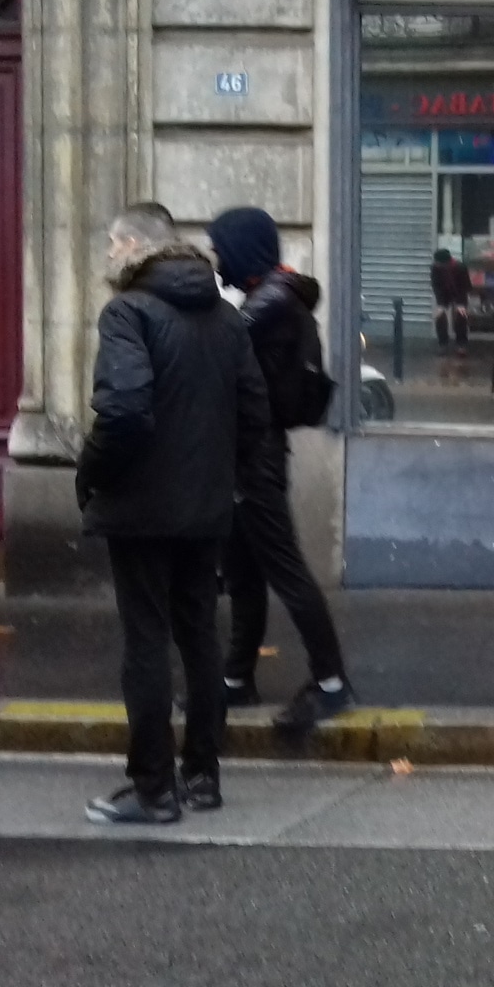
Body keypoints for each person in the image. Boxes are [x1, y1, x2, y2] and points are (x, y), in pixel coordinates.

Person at [76, 202, 269, 824]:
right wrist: (226, 479)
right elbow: (254, 413)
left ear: (135, 246)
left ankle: (153, 788)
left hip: (141, 507)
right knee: (200, 637)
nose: (110, 255)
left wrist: (91, 472)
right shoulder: (225, 317)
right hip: (205, 506)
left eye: (113, 243)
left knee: (146, 643)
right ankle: (203, 776)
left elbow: (124, 410)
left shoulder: (128, 312)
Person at [205, 206, 357, 740]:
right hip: (248, 456)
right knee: (244, 574)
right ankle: (236, 678)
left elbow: (223, 362)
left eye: (220, 249)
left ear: (242, 250)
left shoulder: (267, 306)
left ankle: (332, 682)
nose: (215, 260)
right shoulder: (273, 298)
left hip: (254, 459)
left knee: (286, 572)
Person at [431, 248, 471, 348]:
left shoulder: (460, 267)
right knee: (440, 316)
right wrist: (440, 304)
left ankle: (461, 344)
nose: (436, 264)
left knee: (461, 316)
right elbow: (436, 286)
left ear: (445, 263)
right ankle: (443, 343)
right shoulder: (435, 268)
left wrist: (460, 304)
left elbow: (465, 286)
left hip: (459, 292)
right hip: (444, 293)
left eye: (438, 262)